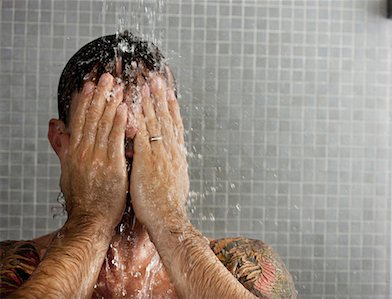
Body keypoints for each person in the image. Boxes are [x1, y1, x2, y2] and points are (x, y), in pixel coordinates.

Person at [0, 32, 297, 299]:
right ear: (61, 142)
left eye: (149, 124)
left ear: (174, 138)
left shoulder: (243, 267)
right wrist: (90, 221)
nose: (130, 144)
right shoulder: (14, 268)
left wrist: (169, 220)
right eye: (103, 127)